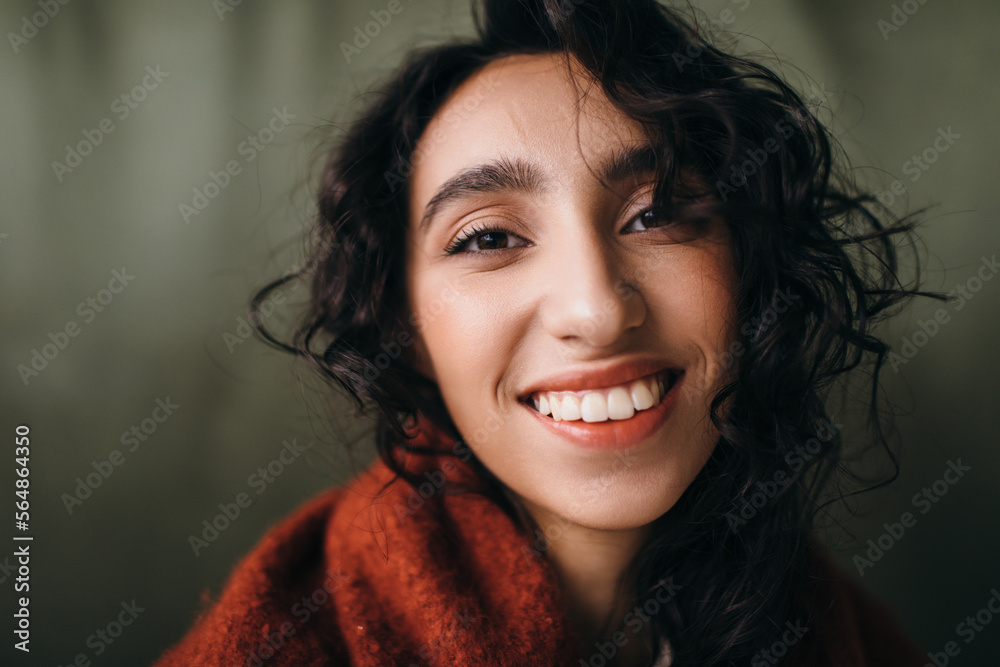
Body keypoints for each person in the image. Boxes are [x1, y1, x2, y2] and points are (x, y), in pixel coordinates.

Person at [154, 1, 943, 665]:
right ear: (407, 325)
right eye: (489, 237)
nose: (595, 310)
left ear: (747, 273)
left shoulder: (844, 631)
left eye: (658, 212)